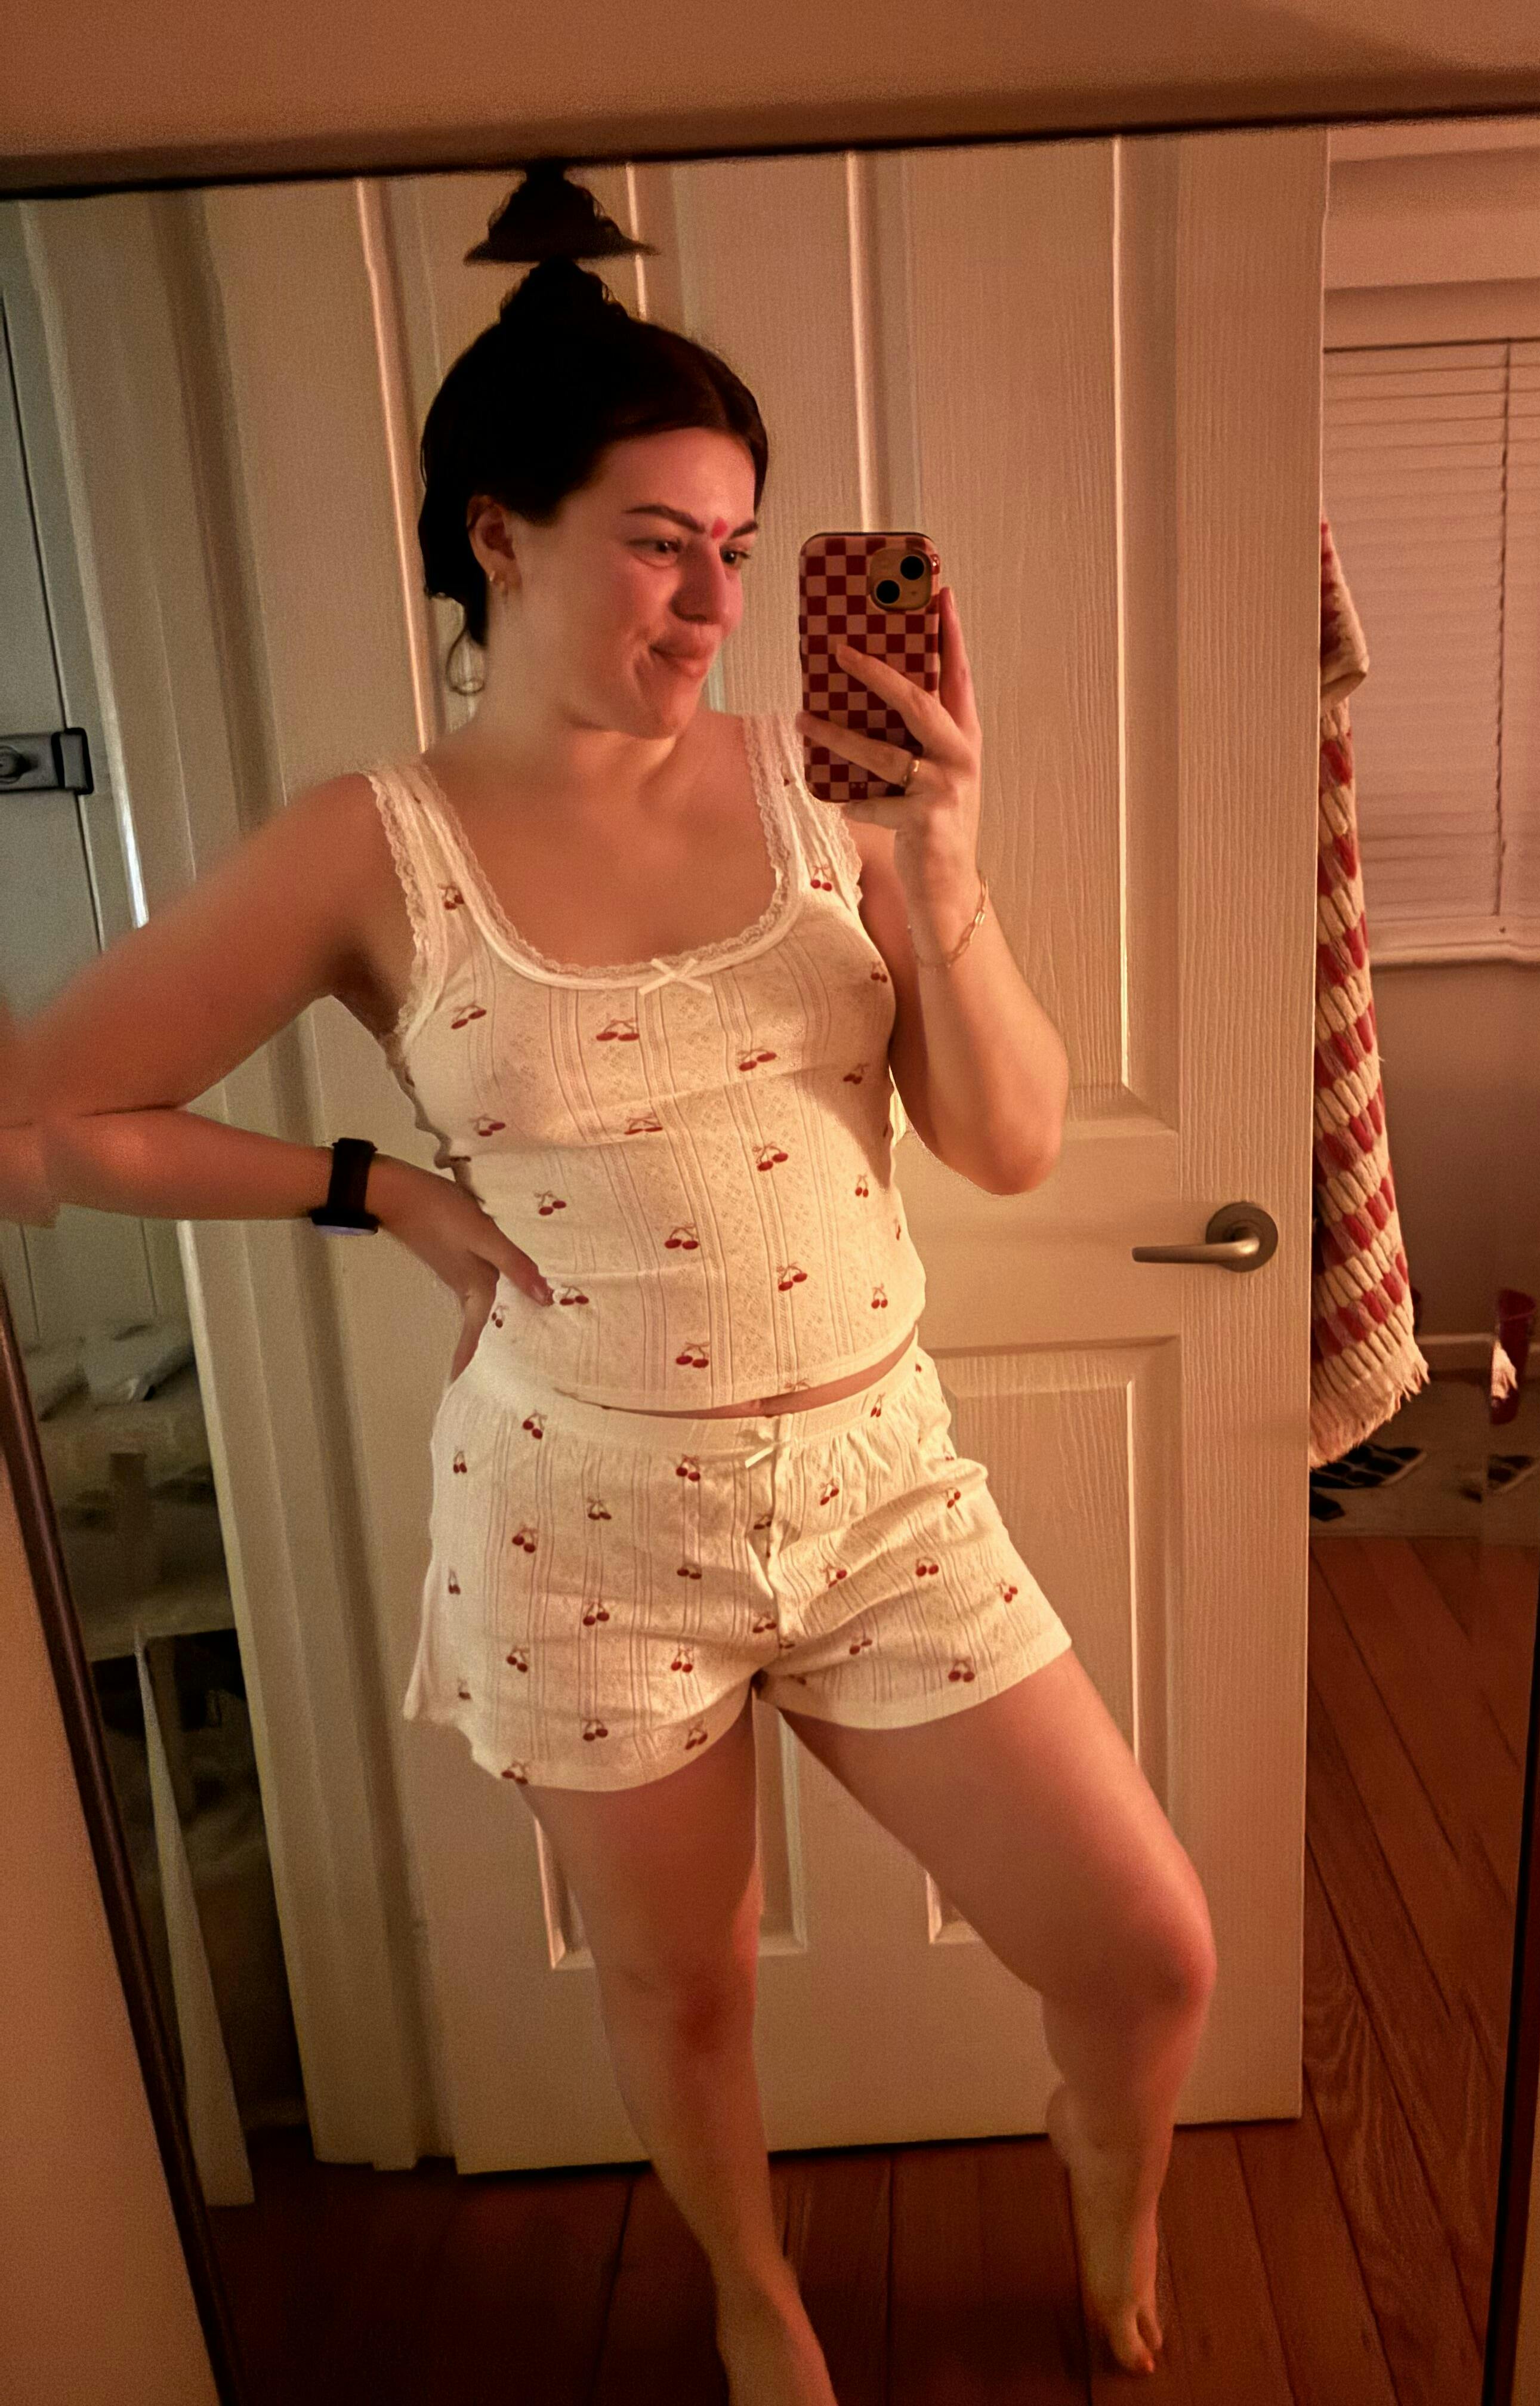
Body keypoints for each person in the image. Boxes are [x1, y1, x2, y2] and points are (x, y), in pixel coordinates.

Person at [18, 242, 1215, 2402]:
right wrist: (375, 1189)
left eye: (740, 552)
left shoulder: (823, 791)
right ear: (501, 536)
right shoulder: (372, 846)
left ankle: (1105, 2152)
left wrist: (943, 872)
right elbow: (46, 1114)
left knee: (1146, 1952)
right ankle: (754, 2292)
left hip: (879, 1495)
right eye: (660, 544)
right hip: (583, 1524)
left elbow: (1012, 1142)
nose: (712, 605)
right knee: (686, 1994)